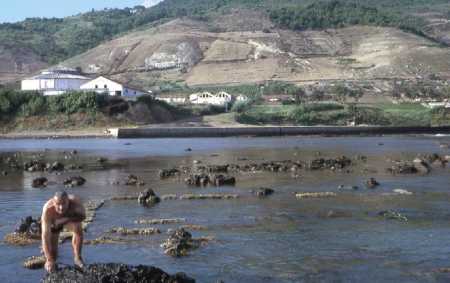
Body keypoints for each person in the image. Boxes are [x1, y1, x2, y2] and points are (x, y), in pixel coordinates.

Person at [41, 191, 86, 272]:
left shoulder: (75, 203)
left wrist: (65, 220)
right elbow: (45, 236)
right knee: (53, 255)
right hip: (54, 224)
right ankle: (51, 262)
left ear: (68, 201)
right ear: (53, 203)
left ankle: (78, 258)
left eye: (64, 204)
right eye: (58, 204)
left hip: (70, 219)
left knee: (78, 229)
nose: (61, 207)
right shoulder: (47, 210)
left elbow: (83, 216)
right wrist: (49, 259)